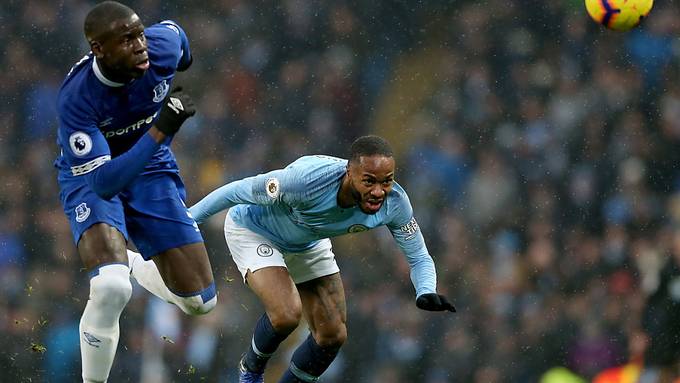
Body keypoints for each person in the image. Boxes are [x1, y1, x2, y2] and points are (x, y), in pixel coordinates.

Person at [190, 135, 455, 383]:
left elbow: (420, 257)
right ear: (349, 173)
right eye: (369, 181)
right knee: (286, 314)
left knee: (332, 335)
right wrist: (188, 220)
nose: (378, 191)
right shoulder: (306, 180)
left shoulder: (396, 203)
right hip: (254, 230)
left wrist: (425, 290)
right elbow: (236, 191)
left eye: (386, 181)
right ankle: (250, 371)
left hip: (308, 240)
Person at [54, 2, 216, 382]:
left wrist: (161, 127)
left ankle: (134, 263)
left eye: (140, 33)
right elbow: (105, 182)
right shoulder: (77, 99)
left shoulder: (164, 44)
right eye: (127, 40)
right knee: (111, 287)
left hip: (151, 166)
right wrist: (161, 128)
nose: (140, 45)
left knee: (200, 304)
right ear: (98, 48)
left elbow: (183, 50)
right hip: (94, 172)